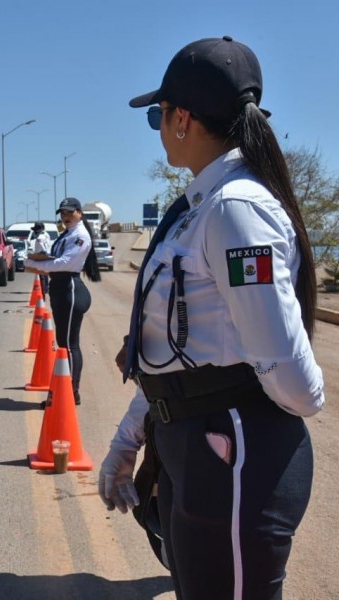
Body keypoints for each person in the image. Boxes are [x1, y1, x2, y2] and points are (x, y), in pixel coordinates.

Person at [98, 36, 324, 599]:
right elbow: (185, 357)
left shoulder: (235, 212)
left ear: (182, 119)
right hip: (200, 453)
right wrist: (131, 438)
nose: (158, 126)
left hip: (236, 461)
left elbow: (285, 370)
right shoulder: (200, 207)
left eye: (157, 114)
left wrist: (293, 399)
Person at [24, 198, 100, 405]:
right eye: (62, 213)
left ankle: (69, 392)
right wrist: (39, 260)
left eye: (69, 212)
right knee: (64, 343)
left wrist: (32, 263)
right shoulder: (67, 234)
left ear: (79, 213)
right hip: (60, 288)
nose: (65, 217)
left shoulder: (80, 236)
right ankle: (64, 391)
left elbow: (65, 263)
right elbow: (55, 259)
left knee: (69, 345)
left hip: (70, 290)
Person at [30, 221, 52, 294]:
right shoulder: (46, 235)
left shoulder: (40, 237)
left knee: (41, 274)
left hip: (41, 255)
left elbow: (42, 247)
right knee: (44, 273)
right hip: (46, 254)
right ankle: (45, 288)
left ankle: (43, 289)